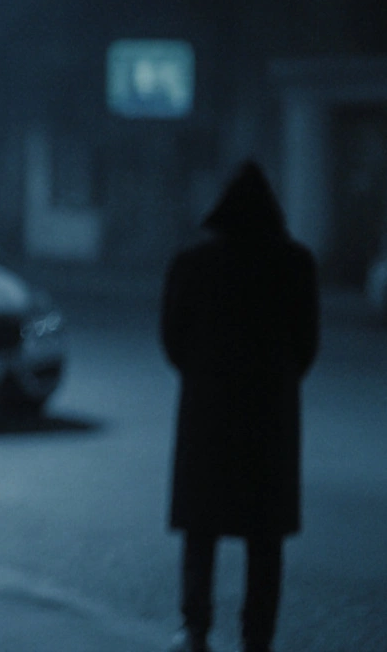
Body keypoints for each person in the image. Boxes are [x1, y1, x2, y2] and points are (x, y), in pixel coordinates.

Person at [160, 161, 319, 652]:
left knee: (201, 528)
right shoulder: (295, 263)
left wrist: (203, 374)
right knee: (264, 536)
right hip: (269, 416)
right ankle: (257, 637)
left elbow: (172, 337)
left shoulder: (192, 264)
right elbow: (306, 344)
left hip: (208, 412)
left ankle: (195, 628)